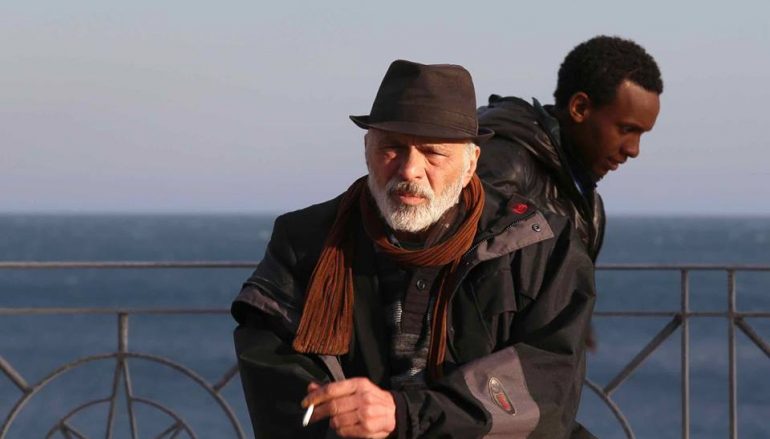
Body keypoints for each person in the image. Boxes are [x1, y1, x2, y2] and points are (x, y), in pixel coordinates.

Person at [232, 59, 596, 438]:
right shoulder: (305, 240)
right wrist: (349, 418)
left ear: (471, 163)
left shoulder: (538, 245)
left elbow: (549, 381)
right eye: (392, 148)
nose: (409, 170)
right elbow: (270, 357)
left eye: (433, 153)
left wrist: (405, 415)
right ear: (367, 149)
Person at [477, 35, 663, 262]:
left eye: (641, 134)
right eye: (626, 129)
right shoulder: (505, 166)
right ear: (580, 108)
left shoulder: (589, 204)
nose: (634, 150)